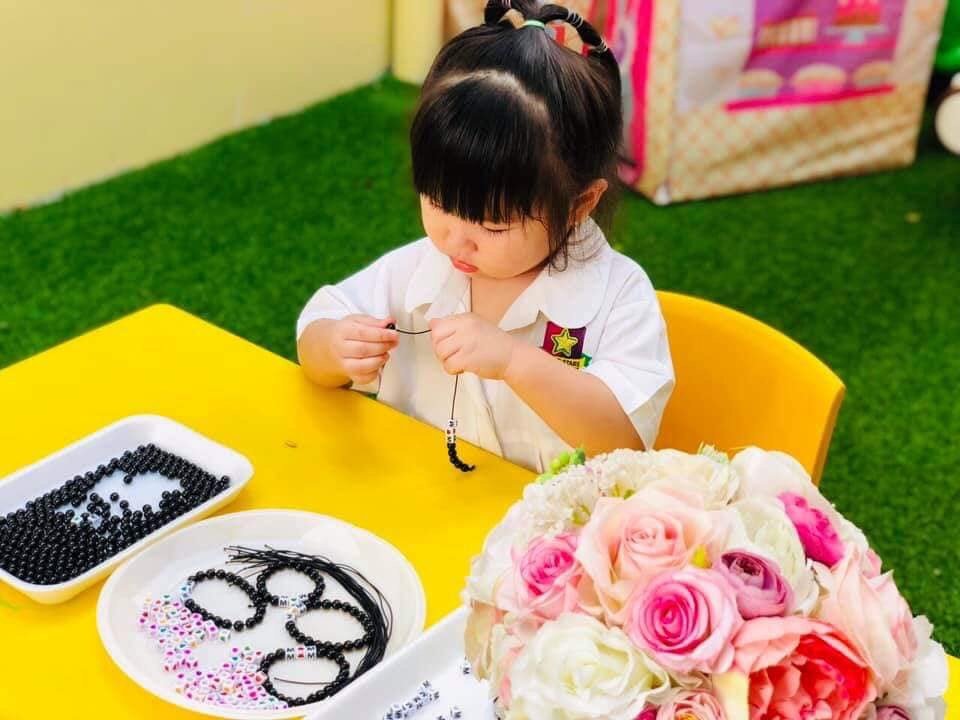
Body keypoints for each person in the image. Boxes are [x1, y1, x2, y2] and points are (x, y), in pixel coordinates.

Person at [297, 1, 674, 473]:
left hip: (553, 518)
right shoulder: (417, 270)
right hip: (422, 499)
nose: (457, 240)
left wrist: (515, 362)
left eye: (493, 226)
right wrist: (335, 347)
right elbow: (315, 335)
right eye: (439, 203)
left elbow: (623, 438)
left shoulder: (617, 296)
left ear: (580, 205)